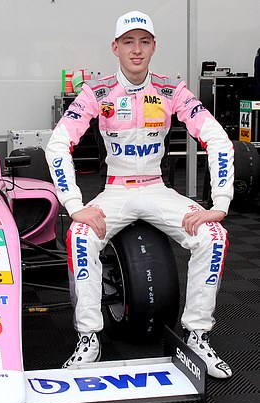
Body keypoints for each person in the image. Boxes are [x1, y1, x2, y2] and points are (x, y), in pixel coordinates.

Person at [45, 11, 234, 379]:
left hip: (157, 189)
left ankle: (197, 334)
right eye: (128, 42)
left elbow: (217, 138)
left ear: (153, 47)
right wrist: (75, 206)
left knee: (213, 236)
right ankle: (89, 338)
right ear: (115, 47)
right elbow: (57, 144)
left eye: (144, 41)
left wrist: (220, 203)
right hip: (114, 191)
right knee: (80, 236)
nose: (137, 49)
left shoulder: (171, 90)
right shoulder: (96, 92)